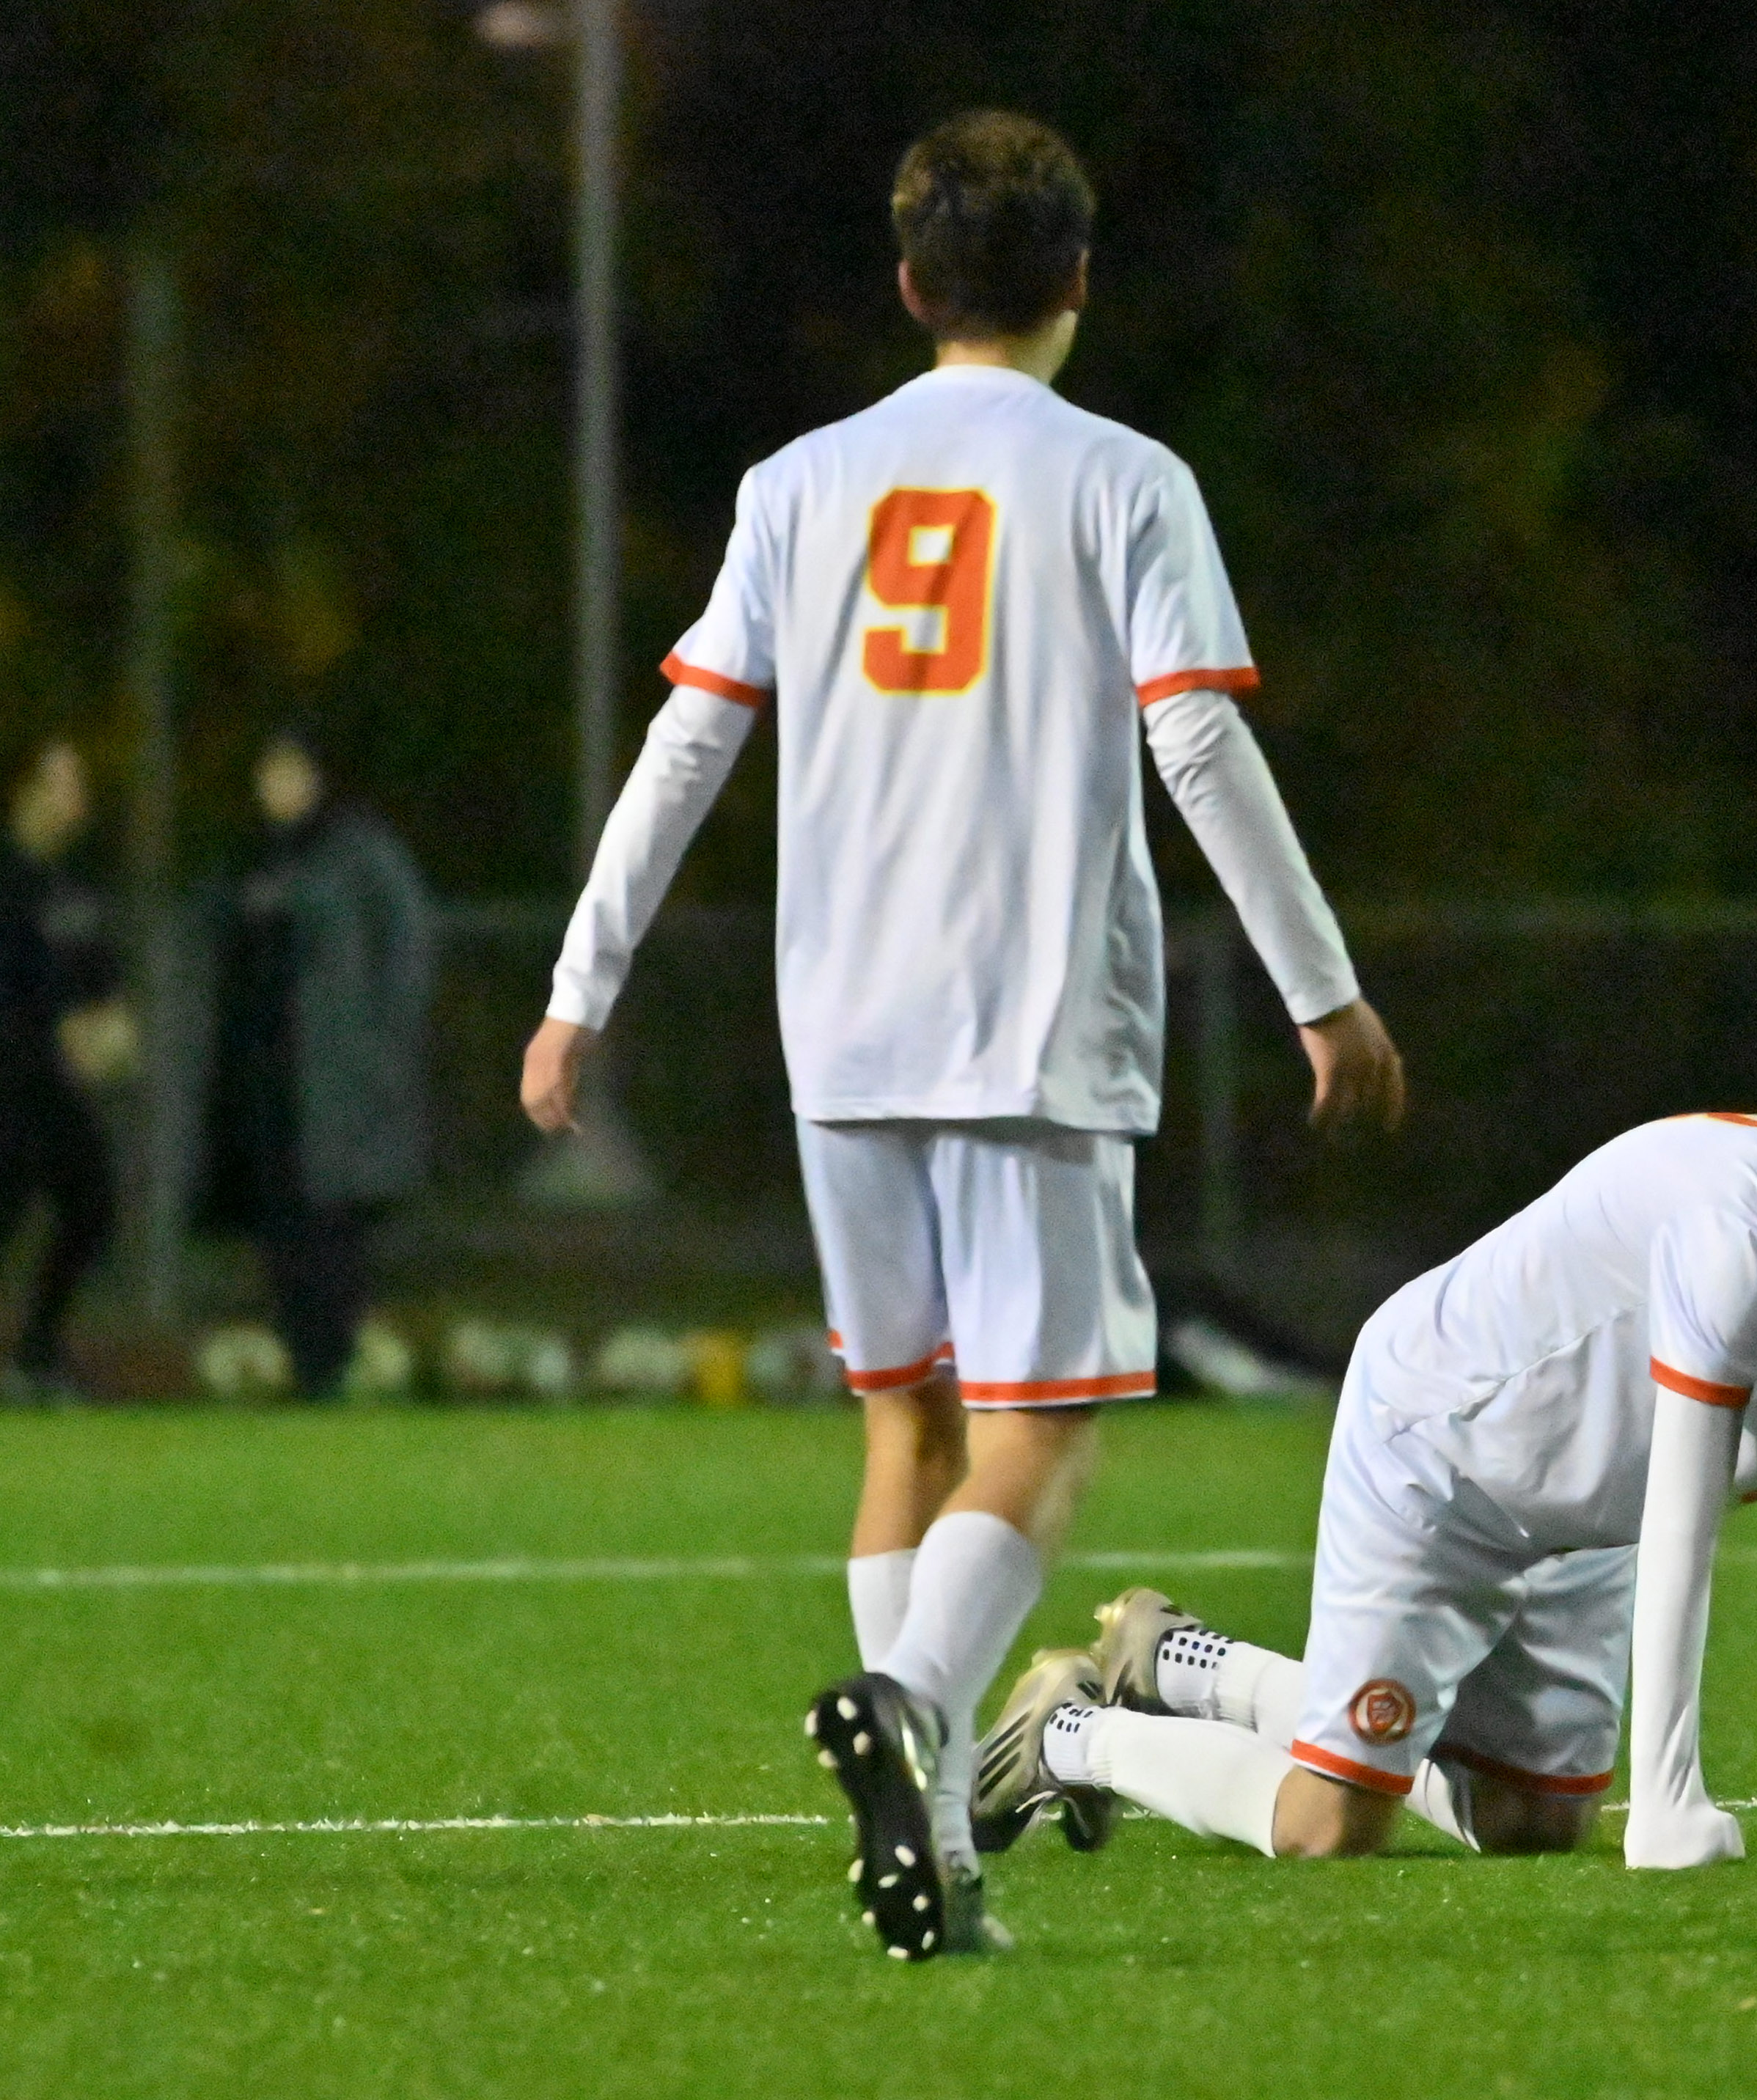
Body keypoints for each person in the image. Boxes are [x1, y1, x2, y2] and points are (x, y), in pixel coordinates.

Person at [520, 111, 1403, 1961]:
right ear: (1078, 282)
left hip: (839, 1029)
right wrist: (1322, 985)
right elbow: (1200, 740)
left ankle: (930, 1850)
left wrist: (578, 988)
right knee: (1042, 1437)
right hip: (1031, 1024)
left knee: (903, 1423)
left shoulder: (794, 482)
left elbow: (689, 746)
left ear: (910, 285)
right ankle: (917, 1714)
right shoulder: (1124, 478)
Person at [959, 1112, 1757, 1880]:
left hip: (1581, 1508)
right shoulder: (1742, 1251)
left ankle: (1179, 1663)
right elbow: (1681, 1533)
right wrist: (1668, 1803)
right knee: (1328, 1823)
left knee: (1532, 1823)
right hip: (1438, 1455)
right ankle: (1060, 1735)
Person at [201, 726, 436, 1399]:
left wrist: (383, 1049)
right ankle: (302, 1360)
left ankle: (333, 1359)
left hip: (335, 1078)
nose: (280, 788)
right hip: (263, 1074)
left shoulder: (359, 854)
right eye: (270, 774)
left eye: (293, 772)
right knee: (276, 1220)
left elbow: (407, 947)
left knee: (332, 1221)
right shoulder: (251, 860)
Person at [2, 737, 128, 1400]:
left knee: (91, 1208)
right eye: (57, 783)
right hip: (10, 1080)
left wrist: (112, 1026)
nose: (72, 799)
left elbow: (99, 974)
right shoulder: (8, 875)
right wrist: (58, 1024)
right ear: (24, 792)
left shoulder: (78, 883)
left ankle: (37, 1352)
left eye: (76, 784)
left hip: (55, 1088)